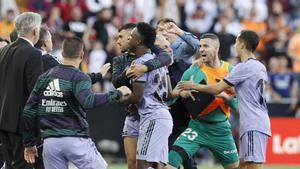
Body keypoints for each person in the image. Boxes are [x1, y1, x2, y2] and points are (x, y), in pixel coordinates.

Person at [22, 37, 132, 169]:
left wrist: (29, 143)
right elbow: (88, 101)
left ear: (62, 53)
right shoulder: (79, 77)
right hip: (75, 139)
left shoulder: (44, 78)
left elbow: (28, 112)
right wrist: (117, 93)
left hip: (50, 142)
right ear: (82, 54)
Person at [177, 30, 271, 169]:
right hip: (255, 120)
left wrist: (192, 85)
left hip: (253, 122)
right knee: (243, 164)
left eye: (237, 42)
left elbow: (216, 89)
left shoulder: (242, 67)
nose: (234, 45)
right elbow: (240, 91)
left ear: (243, 45)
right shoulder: (259, 66)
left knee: (253, 165)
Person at [166, 33, 239, 169]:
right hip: (197, 127)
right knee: (170, 162)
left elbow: (238, 105)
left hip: (221, 130)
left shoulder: (230, 71)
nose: (201, 49)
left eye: (206, 46)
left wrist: (225, 97)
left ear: (216, 49)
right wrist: (183, 93)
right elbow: (171, 96)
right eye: (200, 46)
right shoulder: (192, 71)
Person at [112, 23, 172, 169]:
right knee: (154, 165)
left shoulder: (140, 63)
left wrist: (120, 99)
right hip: (157, 114)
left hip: (151, 115)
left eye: (130, 37)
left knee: (142, 163)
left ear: (138, 41)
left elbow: (136, 97)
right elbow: (169, 92)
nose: (124, 40)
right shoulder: (153, 59)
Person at [0, 12, 43, 169]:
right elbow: (35, 96)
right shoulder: (33, 54)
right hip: (21, 127)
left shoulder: (3, 51)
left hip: (3, 121)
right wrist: (32, 137)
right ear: (35, 31)